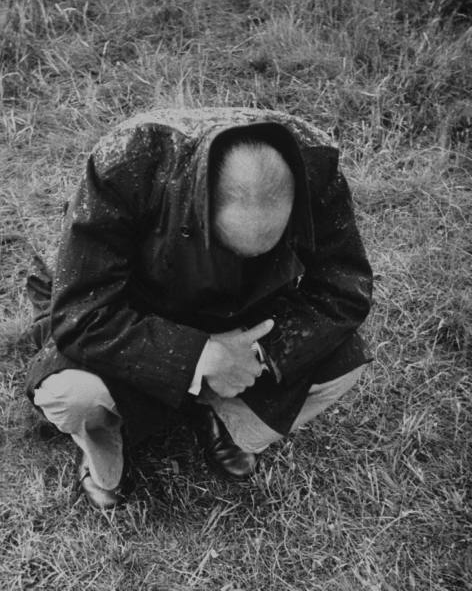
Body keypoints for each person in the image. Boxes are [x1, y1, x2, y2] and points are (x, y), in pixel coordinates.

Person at [25, 107, 373, 509]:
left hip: (251, 318)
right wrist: (195, 357)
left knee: (346, 363)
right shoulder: (126, 162)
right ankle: (106, 452)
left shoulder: (317, 165)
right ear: (199, 203)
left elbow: (345, 289)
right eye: (229, 248)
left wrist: (256, 354)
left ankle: (227, 419)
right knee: (69, 394)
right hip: (138, 311)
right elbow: (80, 313)